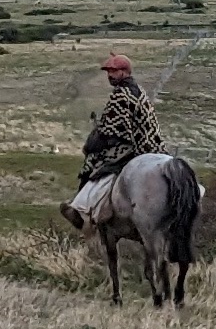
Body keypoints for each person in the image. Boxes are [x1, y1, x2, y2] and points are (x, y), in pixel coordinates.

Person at [67, 53, 162, 222]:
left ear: (125, 72)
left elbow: (111, 131)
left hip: (132, 149)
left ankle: (80, 210)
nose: (110, 76)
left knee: (92, 165)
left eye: (114, 71)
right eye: (108, 72)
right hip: (153, 146)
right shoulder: (139, 91)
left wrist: (91, 145)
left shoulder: (120, 94)